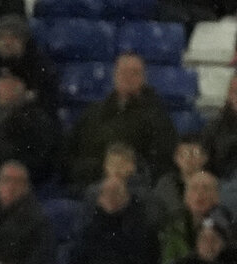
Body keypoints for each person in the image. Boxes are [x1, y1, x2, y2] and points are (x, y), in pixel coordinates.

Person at [67, 53, 177, 185]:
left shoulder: (157, 117)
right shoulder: (94, 112)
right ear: (115, 75)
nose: (128, 77)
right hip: (91, 184)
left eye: (134, 73)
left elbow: (162, 163)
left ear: (144, 78)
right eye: (123, 72)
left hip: (134, 187)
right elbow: (72, 150)